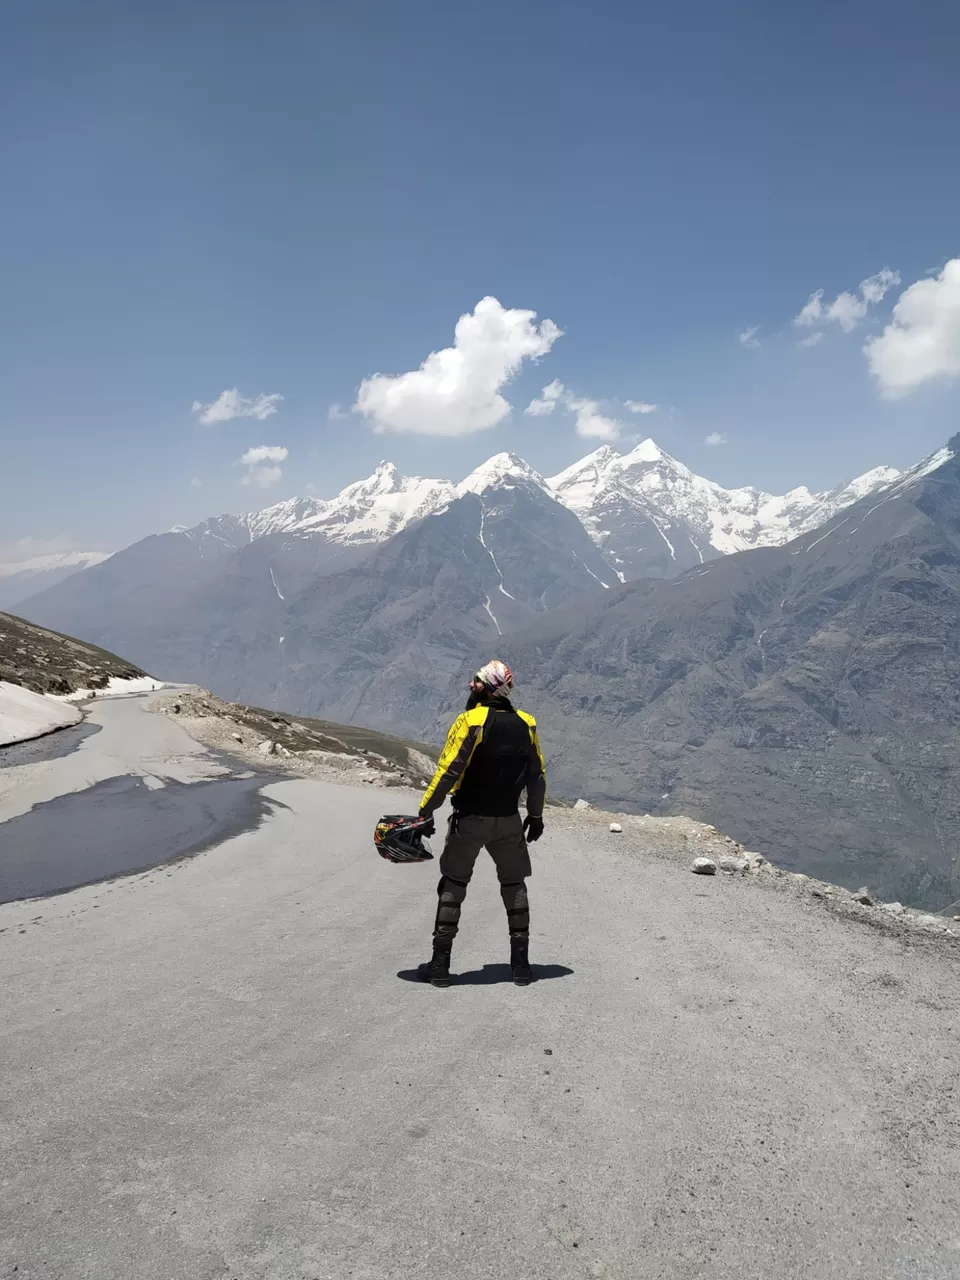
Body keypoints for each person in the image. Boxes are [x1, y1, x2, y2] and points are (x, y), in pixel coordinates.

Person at [416, 659, 546, 988]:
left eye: (475, 681)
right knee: (514, 885)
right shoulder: (527, 724)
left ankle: (440, 967)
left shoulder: (470, 721)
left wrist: (425, 810)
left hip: (470, 819)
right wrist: (535, 815)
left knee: (453, 886)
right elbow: (537, 776)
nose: (470, 686)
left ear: (488, 687)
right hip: (508, 822)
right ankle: (521, 967)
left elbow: (449, 771)